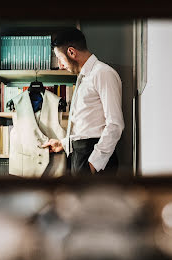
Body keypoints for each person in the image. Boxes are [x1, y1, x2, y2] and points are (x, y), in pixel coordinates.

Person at [41, 28, 124, 176]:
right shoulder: (84, 78)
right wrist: (62, 143)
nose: (60, 65)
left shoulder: (103, 73)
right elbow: (85, 127)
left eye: (60, 58)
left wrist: (93, 164)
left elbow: (115, 124)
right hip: (79, 155)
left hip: (93, 159)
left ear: (72, 52)